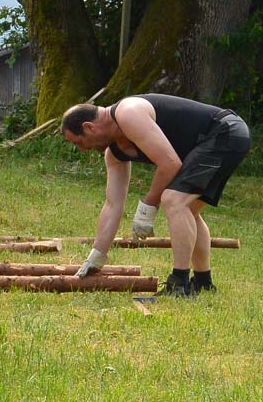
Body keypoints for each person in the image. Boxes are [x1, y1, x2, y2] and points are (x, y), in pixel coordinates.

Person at [60, 94, 251, 296]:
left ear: (89, 127)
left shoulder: (128, 112)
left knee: (174, 200)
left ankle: (179, 284)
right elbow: (112, 205)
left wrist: (147, 207)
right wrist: (97, 256)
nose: (83, 149)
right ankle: (203, 282)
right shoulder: (115, 154)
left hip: (225, 131)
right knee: (187, 209)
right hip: (216, 138)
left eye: (79, 142)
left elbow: (170, 164)